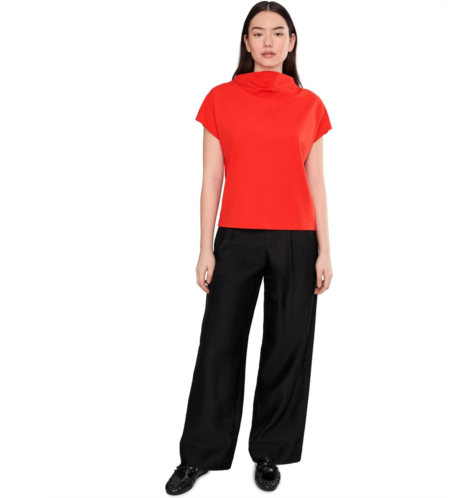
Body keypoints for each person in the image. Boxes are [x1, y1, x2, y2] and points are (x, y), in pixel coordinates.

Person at [165, 1, 333, 495]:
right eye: (258, 33)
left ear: (292, 42)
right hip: (235, 237)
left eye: (278, 32)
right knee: (219, 344)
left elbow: (317, 182)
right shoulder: (220, 99)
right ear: (246, 42)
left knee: (287, 346)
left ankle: (270, 452)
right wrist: (205, 247)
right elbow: (211, 179)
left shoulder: (310, 105)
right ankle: (199, 455)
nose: (268, 41)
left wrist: (325, 250)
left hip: (297, 238)